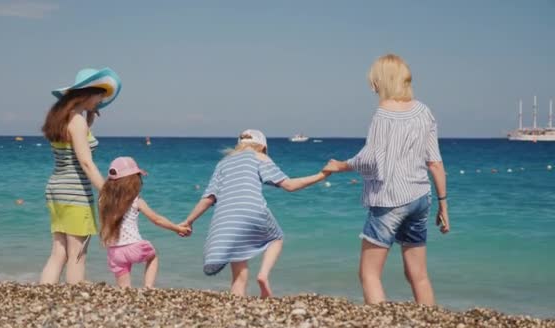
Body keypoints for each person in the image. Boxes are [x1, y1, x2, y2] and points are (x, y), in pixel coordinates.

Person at [324, 54, 449, 305]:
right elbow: (435, 162)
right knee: (418, 274)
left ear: (382, 81)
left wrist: (341, 166)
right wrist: (443, 204)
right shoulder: (424, 111)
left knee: (369, 274)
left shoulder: (383, 114)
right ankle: (431, 326)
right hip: (419, 198)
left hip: (390, 199)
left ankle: (380, 327)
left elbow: (370, 159)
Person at [183, 129, 330, 298]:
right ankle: (263, 275)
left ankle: (237, 306)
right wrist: (322, 175)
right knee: (276, 238)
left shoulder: (223, 163)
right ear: (262, 147)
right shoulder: (259, 157)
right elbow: (289, 185)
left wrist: (189, 221)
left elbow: (208, 198)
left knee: (239, 275)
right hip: (251, 209)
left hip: (225, 218)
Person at [40, 67, 121, 284]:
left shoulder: (61, 119)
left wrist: (88, 118)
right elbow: (85, 162)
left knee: (59, 252)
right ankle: (73, 300)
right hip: (75, 192)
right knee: (78, 254)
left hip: (56, 189)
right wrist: (108, 192)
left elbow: (72, 148)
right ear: (88, 94)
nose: (100, 100)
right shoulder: (77, 121)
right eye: (99, 95)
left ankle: (43, 295)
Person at [99, 157, 191, 288]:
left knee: (124, 288)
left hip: (114, 252)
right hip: (134, 247)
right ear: (133, 181)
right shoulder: (136, 201)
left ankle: (126, 297)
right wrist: (177, 228)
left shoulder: (103, 200)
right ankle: (148, 287)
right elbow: (156, 219)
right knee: (152, 257)